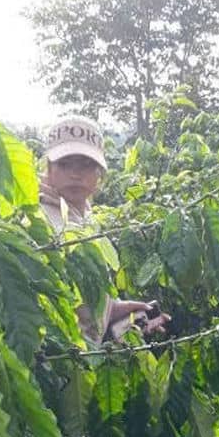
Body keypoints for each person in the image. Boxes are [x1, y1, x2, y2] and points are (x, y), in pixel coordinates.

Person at [40, 116, 170, 343]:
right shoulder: (37, 219)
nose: (75, 174)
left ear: (99, 175)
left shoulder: (86, 218)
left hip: (86, 357)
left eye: (86, 165)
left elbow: (83, 304)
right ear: (49, 169)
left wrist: (118, 311)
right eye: (65, 164)